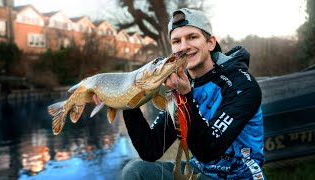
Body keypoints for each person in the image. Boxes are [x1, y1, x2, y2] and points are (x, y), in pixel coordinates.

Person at [94, 8, 265, 180]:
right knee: (135, 171)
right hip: (199, 171)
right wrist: (126, 99)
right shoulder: (182, 84)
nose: (184, 47)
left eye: (192, 37)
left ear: (211, 43)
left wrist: (186, 97)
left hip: (239, 176)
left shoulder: (242, 84)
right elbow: (151, 149)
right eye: (176, 41)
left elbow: (209, 151)